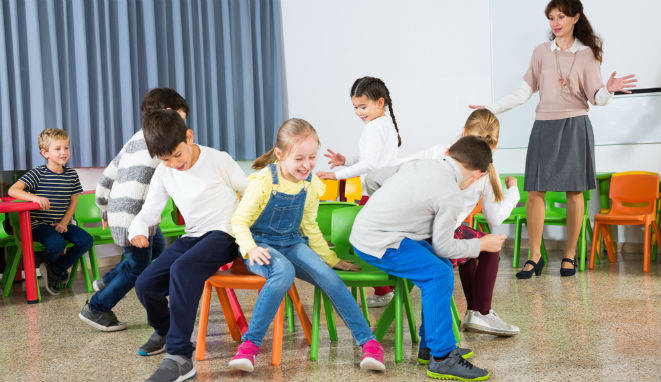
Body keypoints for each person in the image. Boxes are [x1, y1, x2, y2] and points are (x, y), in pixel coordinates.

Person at [469, 0, 637, 278]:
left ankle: (569, 255)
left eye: (561, 16)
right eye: (551, 18)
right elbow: (523, 93)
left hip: (575, 125)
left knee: (574, 191)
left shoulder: (587, 54)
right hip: (544, 126)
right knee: (535, 190)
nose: (555, 22)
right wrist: (491, 108)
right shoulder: (540, 53)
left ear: (575, 18)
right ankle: (534, 256)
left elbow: (597, 98)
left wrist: (609, 90)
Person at [229, 118, 385, 373]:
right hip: (261, 245)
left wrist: (331, 260)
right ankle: (249, 347)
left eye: (312, 158)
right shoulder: (263, 182)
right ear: (279, 155)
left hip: (292, 242)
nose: (307, 165)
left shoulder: (311, 184)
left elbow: (310, 227)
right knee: (283, 272)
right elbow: (239, 220)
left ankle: (369, 344)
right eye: (299, 159)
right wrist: (250, 249)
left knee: (329, 277)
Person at [352, 136, 506, 381]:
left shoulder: (422, 164)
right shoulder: (451, 194)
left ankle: (430, 345)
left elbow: (372, 180)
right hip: (379, 243)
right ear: (477, 175)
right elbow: (445, 246)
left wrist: (388, 207)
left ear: (451, 153)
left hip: (367, 232)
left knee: (440, 266)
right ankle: (443, 358)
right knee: (439, 274)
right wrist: (482, 244)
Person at [378, 109, 520, 339]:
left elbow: (394, 170)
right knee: (489, 244)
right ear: (493, 145)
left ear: (463, 132)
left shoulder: (438, 153)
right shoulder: (487, 172)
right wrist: (513, 192)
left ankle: (476, 313)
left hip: (404, 239)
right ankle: (480, 312)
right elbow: (496, 219)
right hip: (438, 242)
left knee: (472, 238)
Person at [131, 109, 247, 382]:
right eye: (165, 159)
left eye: (177, 155)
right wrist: (137, 228)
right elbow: (150, 212)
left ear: (189, 136)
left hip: (224, 232)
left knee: (183, 269)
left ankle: (180, 357)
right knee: (145, 284)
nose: (173, 163)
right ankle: (166, 329)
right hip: (193, 236)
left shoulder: (218, 160)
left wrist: (249, 237)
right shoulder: (164, 172)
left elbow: (249, 192)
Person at [79, 88, 187, 331]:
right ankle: (96, 308)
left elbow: (108, 175)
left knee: (156, 246)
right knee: (137, 266)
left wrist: (104, 209)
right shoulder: (163, 139)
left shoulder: (136, 138)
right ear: (168, 115)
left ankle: (106, 281)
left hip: (121, 211)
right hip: (134, 216)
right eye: (181, 120)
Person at [316, 76, 401, 308]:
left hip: (374, 193)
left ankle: (384, 290)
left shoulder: (374, 127)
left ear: (379, 102)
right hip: (385, 191)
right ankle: (387, 287)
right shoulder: (384, 124)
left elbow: (370, 165)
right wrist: (346, 160)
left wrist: (336, 174)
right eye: (355, 107)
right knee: (379, 241)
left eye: (363, 107)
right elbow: (369, 159)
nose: (358, 112)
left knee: (366, 242)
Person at [8, 128, 93, 295]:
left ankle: (54, 269)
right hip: (38, 225)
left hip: (60, 223)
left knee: (86, 240)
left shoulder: (71, 174)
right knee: (57, 244)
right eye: (58, 148)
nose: (64, 152)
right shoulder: (37, 173)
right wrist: (33, 197)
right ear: (45, 152)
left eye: (66, 147)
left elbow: (73, 200)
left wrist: (63, 223)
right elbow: (13, 190)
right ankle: (55, 270)